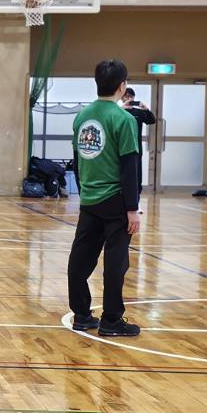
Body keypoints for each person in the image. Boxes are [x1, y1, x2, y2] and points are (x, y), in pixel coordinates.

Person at [67, 59, 142, 338]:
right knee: (116, 263)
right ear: (123, 86)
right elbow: (129, 166)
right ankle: (111, 320)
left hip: (89, 200)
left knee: (80, 258)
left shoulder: (81, 117)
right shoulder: (124, 119)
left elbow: (77, 160)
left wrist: (85, 190)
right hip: (116, 200)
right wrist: (132, 209)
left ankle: (82, 315)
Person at [122, 87, 157, 187]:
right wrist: (121, 108)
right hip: (121, 147)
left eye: (131, 96)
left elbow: (151, 121)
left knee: (137, 173)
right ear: (122, 98)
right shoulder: (118, 111)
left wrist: (146, 109)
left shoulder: (138, 112)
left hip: (136, 147)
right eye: (126, 96)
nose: (129, 98)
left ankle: (137, 192)